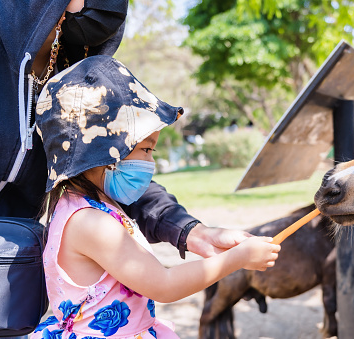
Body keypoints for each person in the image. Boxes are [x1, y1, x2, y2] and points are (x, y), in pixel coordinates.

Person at [30, 55, 281, 339]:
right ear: (105, 150)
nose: (151, 163)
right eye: (146, 150)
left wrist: (204, 238)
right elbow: (164, 284)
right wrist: (237, 259)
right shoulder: (90, 222)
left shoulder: (95, 206)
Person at [0, 0, 251, 265]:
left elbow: (108, 167)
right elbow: (162, 283)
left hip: (16, 267)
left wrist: (189, 230)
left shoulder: (81, 76)